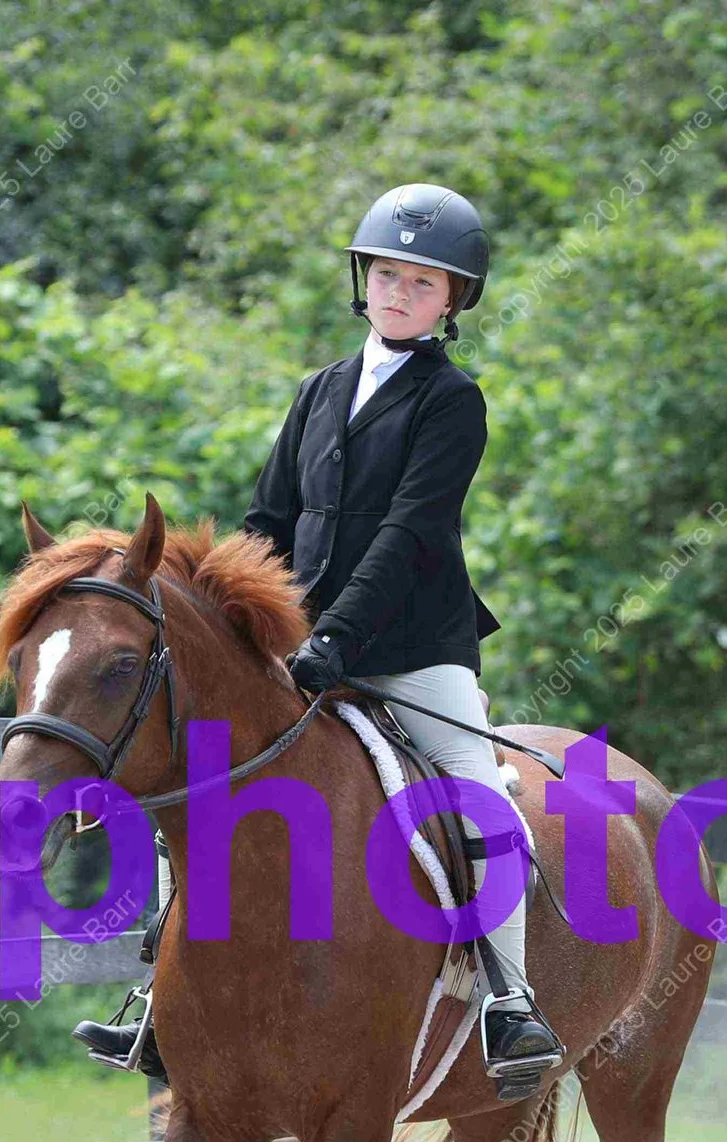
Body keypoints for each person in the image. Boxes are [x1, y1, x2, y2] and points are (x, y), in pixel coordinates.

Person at [77, 182, 565, 1093]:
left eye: (421, 283)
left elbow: (409, 533)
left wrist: (337, 635)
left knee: (475, 793)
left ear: (453, 300)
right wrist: (235, 619)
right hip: (302, 645)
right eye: (386, 275)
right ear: (362, 280)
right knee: (198, 774)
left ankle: (510, 999)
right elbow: (268, 519)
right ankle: (157, 997)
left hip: (412, 647)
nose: (398, 293)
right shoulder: (320, 391)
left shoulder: (453, 401)